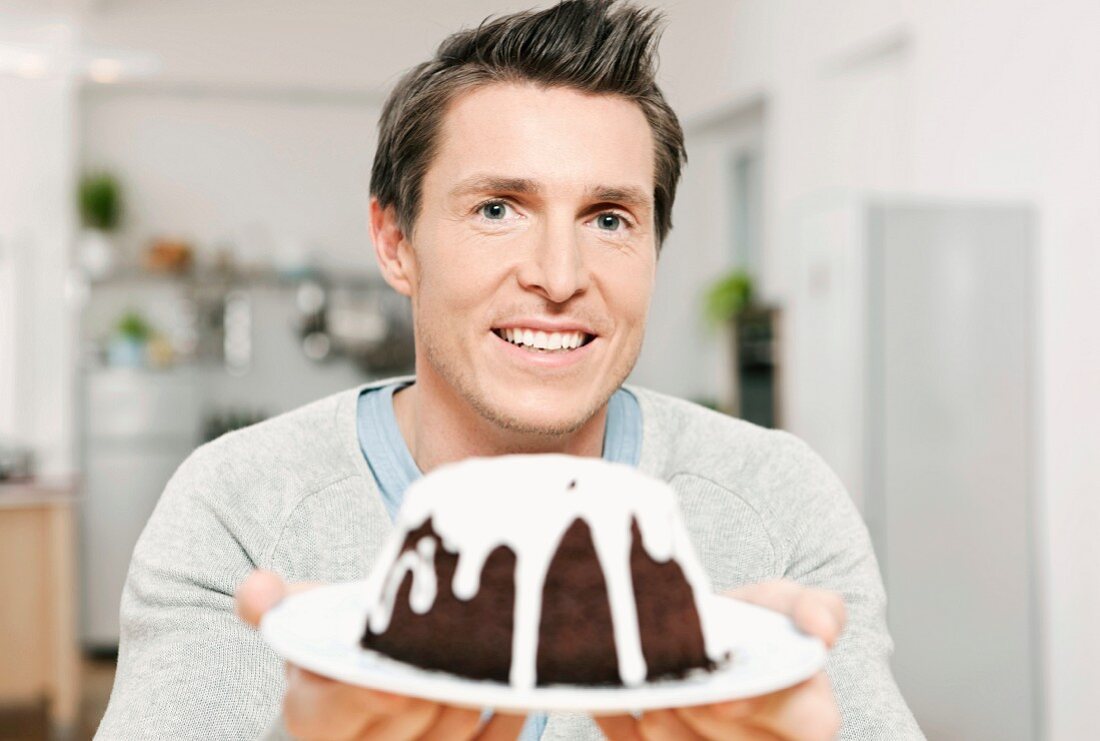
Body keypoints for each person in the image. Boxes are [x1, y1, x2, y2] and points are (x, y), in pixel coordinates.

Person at [97, 1, 924, 739]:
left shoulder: (780, 507)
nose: (559, 275)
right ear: (394, 242)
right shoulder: (238, 510)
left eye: (608, 217)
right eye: (497, 209)